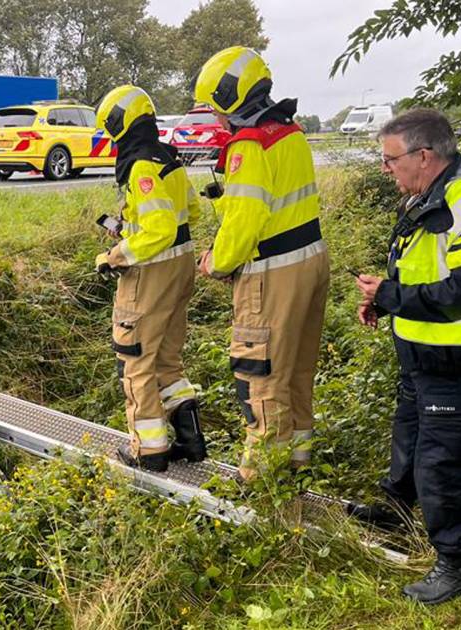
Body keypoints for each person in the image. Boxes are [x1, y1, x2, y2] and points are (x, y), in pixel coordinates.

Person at [351, 108, 461, 605]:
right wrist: (385, 300)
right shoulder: (431, 190)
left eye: (390, 159)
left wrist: (393, 296)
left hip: (460, 351)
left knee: (441, 458)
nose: (385, 168)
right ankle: (397, 511)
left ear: (423, 155)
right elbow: (425, 264)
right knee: (409, 429)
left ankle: (456, 565)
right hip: (424, 345)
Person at [192, 47, 329, 480]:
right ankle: (297, 462)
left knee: (261, 374)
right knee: (297, 371)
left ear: (229, 98)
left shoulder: (249, 146)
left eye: (215, 108)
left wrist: (216, 263)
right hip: (311, 261)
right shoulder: (290, 133)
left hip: (271, 274)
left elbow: (244, 221)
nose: (217, 119)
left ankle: (260, 478)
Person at [94, 84, 207, 472]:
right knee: (168, 360)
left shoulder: (140, 166)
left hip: (150, 274)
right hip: (181, 268)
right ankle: (191, 440)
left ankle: (149, 450)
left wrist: (115, 255)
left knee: (135, 360)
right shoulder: (167, 157)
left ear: (119, 124)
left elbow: (159, 229)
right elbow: (190, 211)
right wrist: (130, 227)